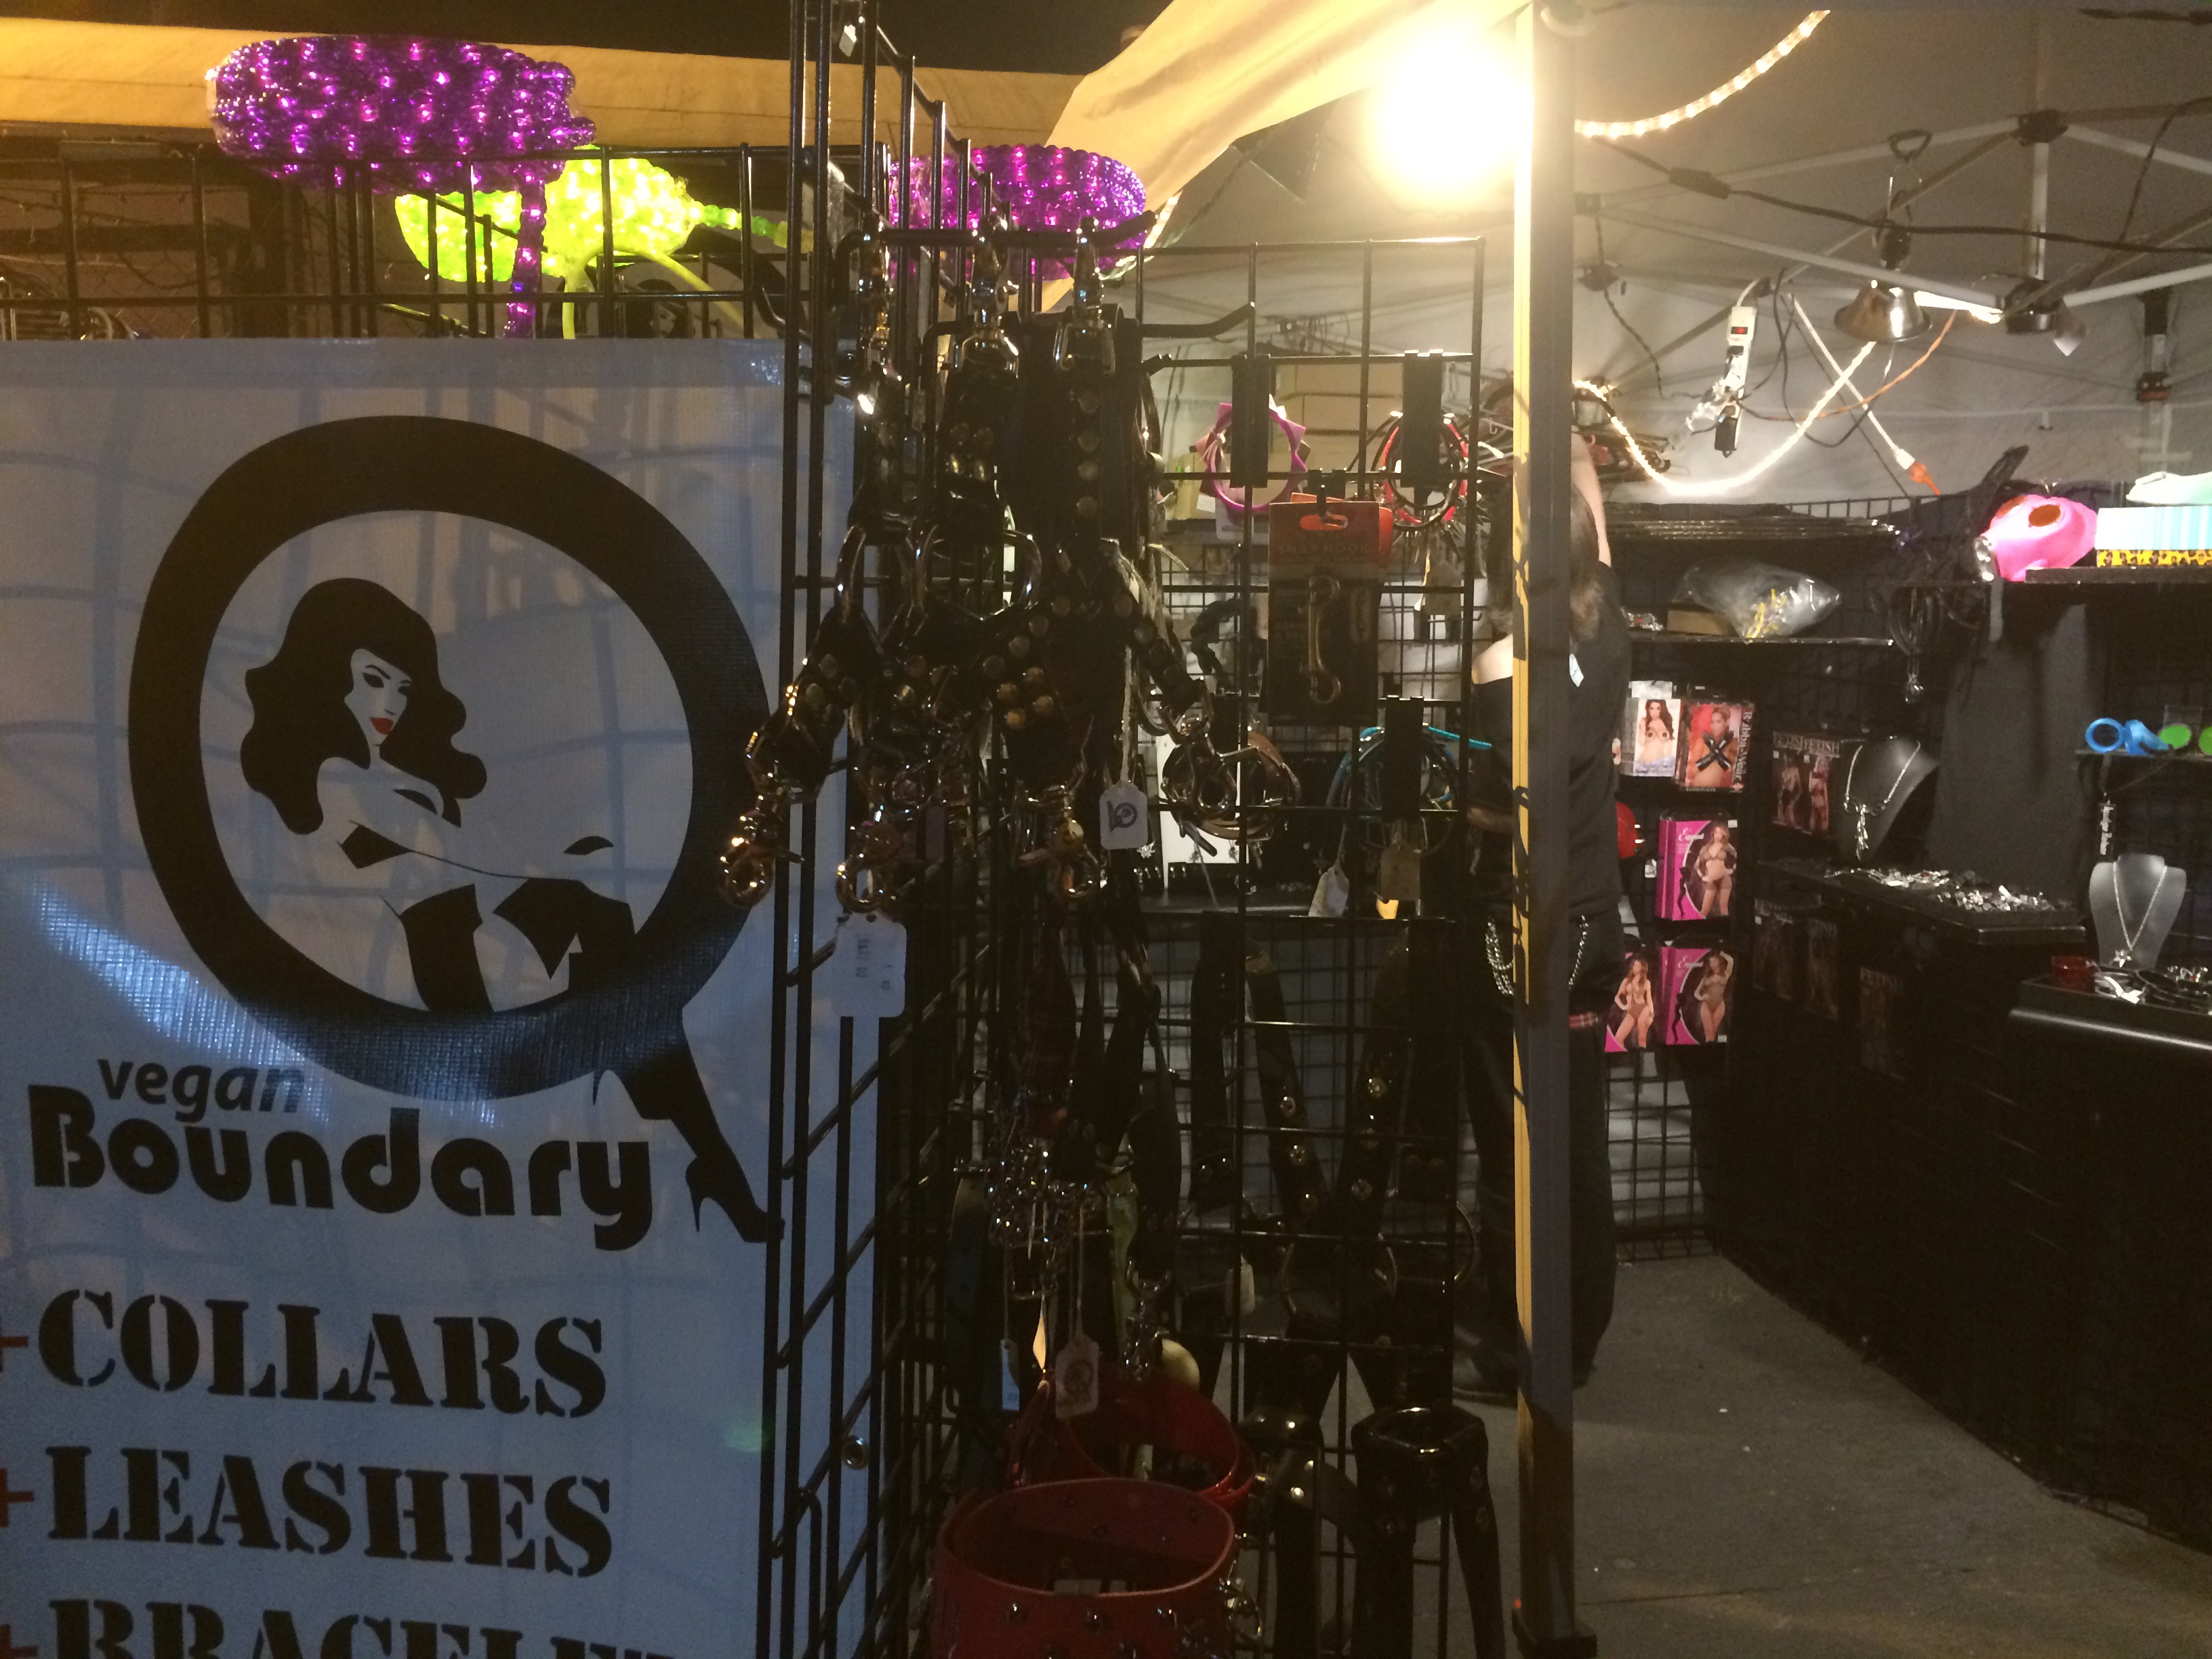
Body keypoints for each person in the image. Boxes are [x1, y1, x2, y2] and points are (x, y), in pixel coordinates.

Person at [241, 577, 627, 1015]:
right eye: (373, 679)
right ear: (327, 675)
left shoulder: (397, 776)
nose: (390, 704)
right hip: (400, 955)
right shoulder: (326, 779)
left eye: (402, 688)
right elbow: (392, 867)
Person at [1456, 436, 1624, 1396]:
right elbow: (1597, 541)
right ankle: (1577, 1338)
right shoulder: (1610, 631)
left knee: (1508, 1139)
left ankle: (1515, 1346)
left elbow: (1495, 806)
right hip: (1593, 920)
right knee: (1577, 1135)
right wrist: (1565, 454)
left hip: (1518, 926)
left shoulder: (1500, 660)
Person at [1612, 951, 1655, 1050]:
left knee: (1641, 1038)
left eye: (1638, 966)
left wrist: (1652, 1015)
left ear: (1642, 968)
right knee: (1618, 1038)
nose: (1636, 968)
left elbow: (1649, 999)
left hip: (1643, 1009)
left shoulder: (1646, 983)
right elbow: (1617, 997)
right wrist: (1623, 1007)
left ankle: (1643, 1056)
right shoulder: (1626, 981)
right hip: (1631, 1011)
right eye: (1634, 966)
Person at [1694, 821, 1738, 919]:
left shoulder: (1727, 846)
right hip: (1711, 880)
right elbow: (1697, 865)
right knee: (1704, 910)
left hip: (1724, 878)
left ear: (1724, 835)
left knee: (1723, 908)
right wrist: (1703, 876)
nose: (1718, 835)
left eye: (1721, 833)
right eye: (1716, 832)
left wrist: (1732, 870)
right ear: (1713, 833)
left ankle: (1726, 926)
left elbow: (1738, 858)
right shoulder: (1706, 848)